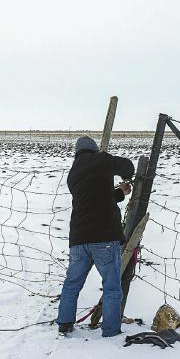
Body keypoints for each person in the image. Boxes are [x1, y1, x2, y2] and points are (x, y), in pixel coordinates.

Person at [56, 136, 135, 337]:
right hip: (104, 237)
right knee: (111, 287)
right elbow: (128, 167)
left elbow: (95, 198)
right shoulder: (101, 160)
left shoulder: (73, 174)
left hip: (79, 239)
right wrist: (126, 179)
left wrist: (119, 193)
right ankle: (111, 330)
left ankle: (64, 323)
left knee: (72, 284)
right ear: (94, 149)